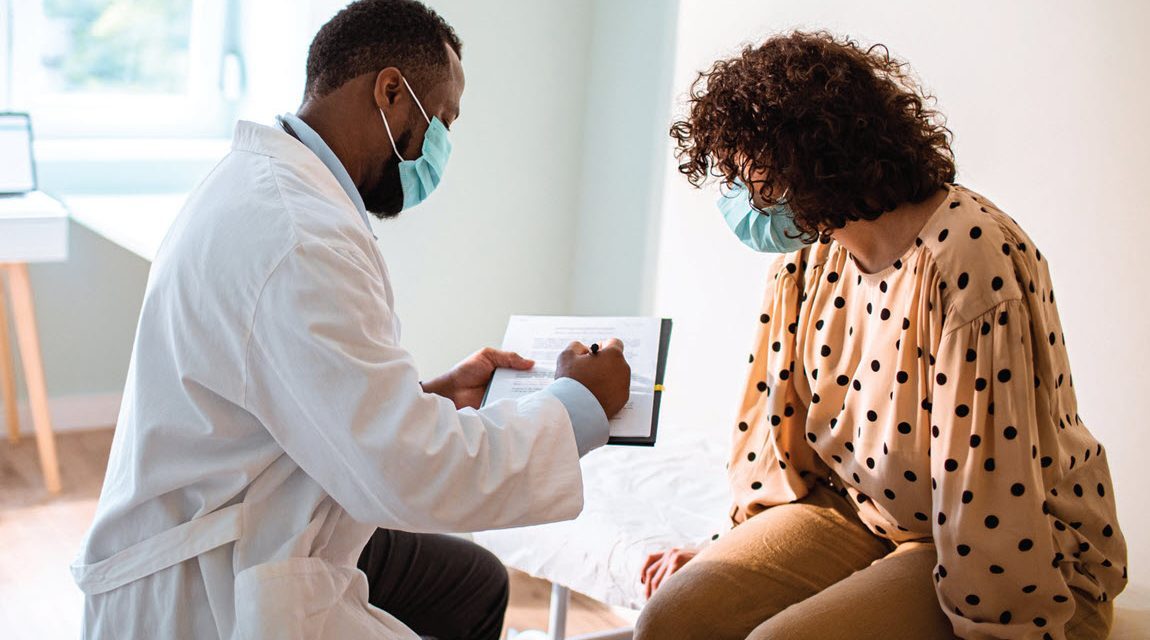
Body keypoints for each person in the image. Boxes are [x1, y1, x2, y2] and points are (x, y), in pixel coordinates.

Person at [71, 1, 631, 638]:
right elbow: (410, 475)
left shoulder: (271, 186)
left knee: (473, 583)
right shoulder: (299, 239)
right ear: (391, 92)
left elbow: (298, 393)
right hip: (212, 579)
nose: (444, 147)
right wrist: (578, 403)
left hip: (267, 508)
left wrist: (428, 398)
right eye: (443, 120)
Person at [637, 32, 1126, 640]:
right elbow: (776, 436)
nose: (738, 195)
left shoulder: (968, 260)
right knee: (671, 621)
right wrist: (731, 555)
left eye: (747, 171)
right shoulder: (810, 256)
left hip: (989, 542)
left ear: (810, 157)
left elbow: (988, 485)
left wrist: (1006, 629)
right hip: (857, 514)